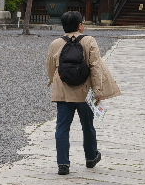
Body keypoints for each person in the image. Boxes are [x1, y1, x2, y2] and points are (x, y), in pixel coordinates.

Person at [46, 11, 121, 175]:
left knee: (62, 127)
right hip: (85, 91)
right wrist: (98, 90)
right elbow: (95, 66)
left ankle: (63, 164)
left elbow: (50, 68)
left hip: (63, 91)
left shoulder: (55, 43)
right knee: (87, 125)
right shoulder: (89, 41)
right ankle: (91, 157)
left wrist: (53, 81)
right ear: (80, 25)